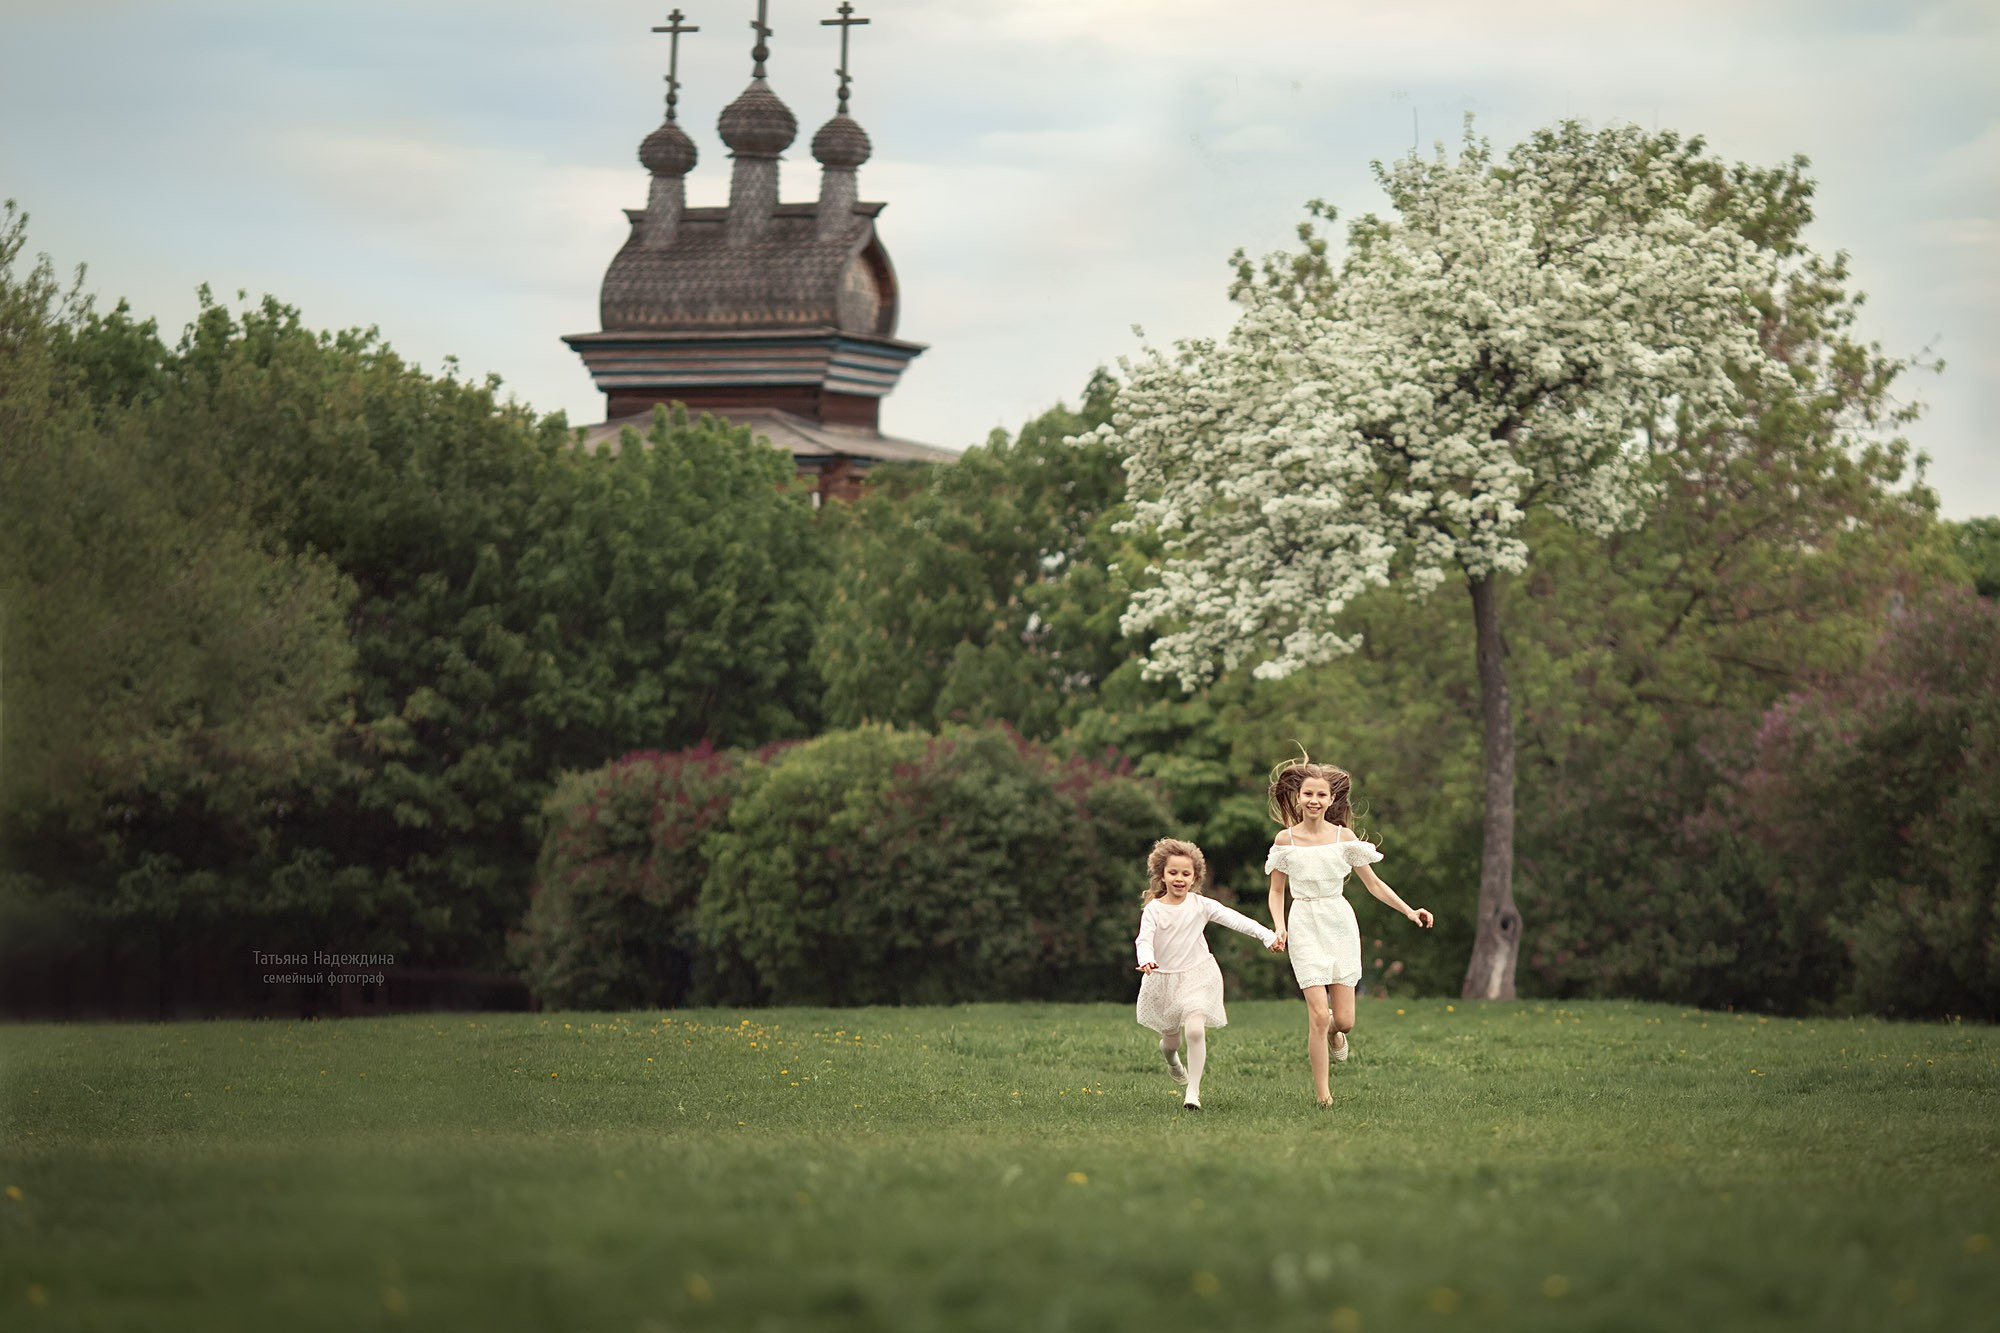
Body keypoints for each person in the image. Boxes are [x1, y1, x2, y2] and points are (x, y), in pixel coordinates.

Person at [1265, 755, 1433, 1106]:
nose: (1313, 800)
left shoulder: (1344, 838)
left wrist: (1408, 910)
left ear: (1330, 800)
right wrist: (1280, 928)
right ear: (1298, 797)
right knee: (1316, 1013)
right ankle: (1324, 1096)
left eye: (1321, 795)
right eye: (1307, 793)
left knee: (1342, 1020)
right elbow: (1277, 890)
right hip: (1304, 921)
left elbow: (1373, 884)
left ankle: (1335, 1035)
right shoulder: (1285, 841)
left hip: (1338, 921)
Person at [1134, 837, 1283, 1111]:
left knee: (1194, 1030)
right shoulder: (1154, 910)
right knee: (1171, 1042)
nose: (1179, 879)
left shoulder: (1201, 905)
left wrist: (1267, 935)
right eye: (1173, 873)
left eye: (1186, 874)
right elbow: (1144, 939)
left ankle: (1193, 1093)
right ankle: (1172, 1061)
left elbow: (1236, 919)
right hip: (1163, 979)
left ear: (1195, 878)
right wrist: (1146, 960)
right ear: (1162, 875)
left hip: (1197, 975)